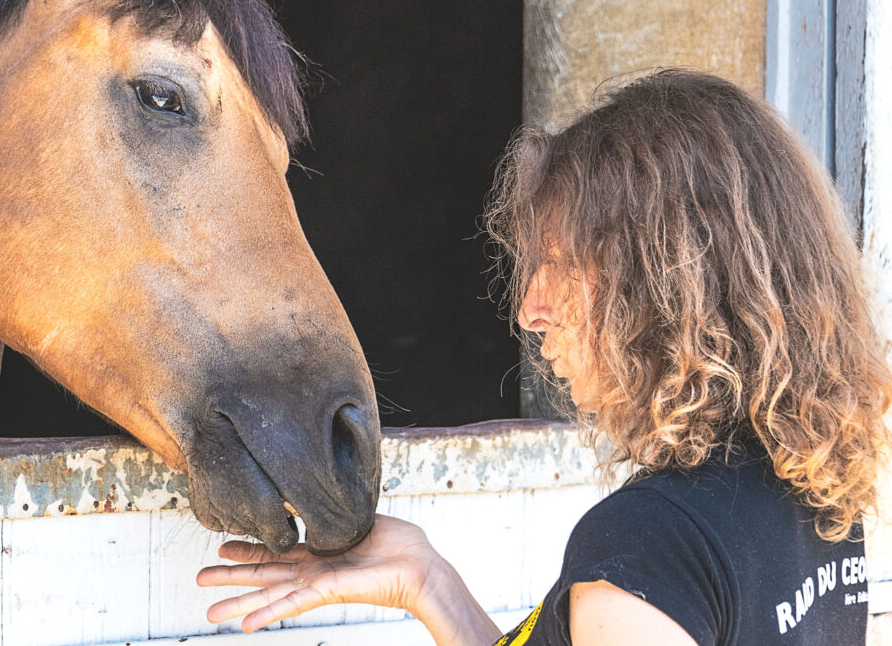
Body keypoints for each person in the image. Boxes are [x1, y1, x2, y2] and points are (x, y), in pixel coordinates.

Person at [196, 70, 892, 645]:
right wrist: (428, 582)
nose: (529, 311)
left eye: (558, 262)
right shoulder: (811, 497)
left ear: (663, 286)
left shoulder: (649, 548)